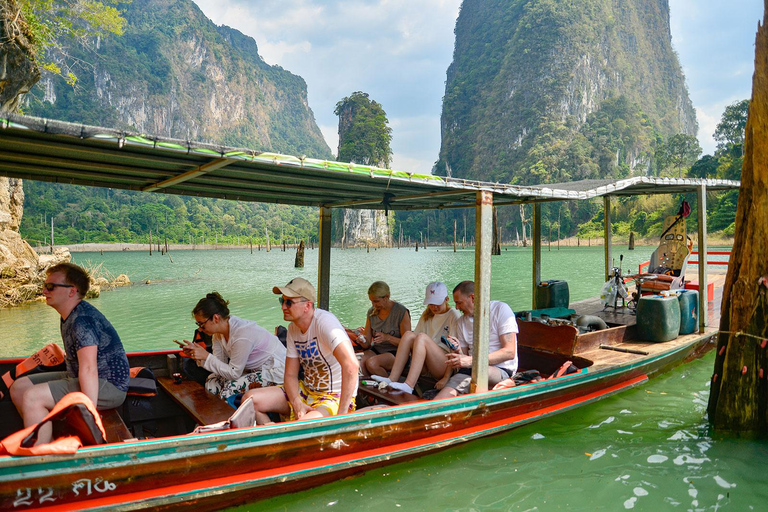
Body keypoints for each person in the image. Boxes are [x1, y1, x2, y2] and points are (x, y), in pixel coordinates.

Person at [9, 263, 130, 445]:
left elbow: (89, 368)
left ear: (71, 291)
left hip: (109, 385)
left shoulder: (82, 320)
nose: (44, 291)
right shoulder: (68, 315)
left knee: (33, 397)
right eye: (45, 286)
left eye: (51, 287)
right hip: (81, 376)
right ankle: (46, 442)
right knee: (19, 388)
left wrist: (88, 415)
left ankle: (45, 462)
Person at [243, 278, 358, 424]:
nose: (283, 307)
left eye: (289, 302)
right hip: (306, 390)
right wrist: (296, 402)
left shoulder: (325, 323)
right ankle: (274, 437)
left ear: (307, 305)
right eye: (282, 301)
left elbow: (352, 366)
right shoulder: (293, 328)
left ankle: (281, 438)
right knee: (250, 400)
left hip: (332, 396)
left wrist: (342, 416)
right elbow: (290, 375)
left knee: (299, 425)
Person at [183, 292, 286, 399]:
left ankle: (228, 415)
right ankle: (214, 413)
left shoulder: (242, 334)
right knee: (212, 381)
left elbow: (234, 373)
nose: (200, 329)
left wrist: (206, 356)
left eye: (201, 324)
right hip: (250, 370)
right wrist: (198, 357)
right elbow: (220, 366)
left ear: (215, 318)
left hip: (274, 371)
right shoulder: (218, 335)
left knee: (230, 388)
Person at [371, 282, 461, 394]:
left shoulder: (453, 315)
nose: (434, 307)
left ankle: (409, 385)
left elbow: (454, 349)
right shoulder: (427, 314)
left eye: (437, 303)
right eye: (431, 303)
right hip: (426, 364)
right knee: (409, 334)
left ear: (446, 299)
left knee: (422, 337)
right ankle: (392, 378)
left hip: (443, 364)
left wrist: (446, 378)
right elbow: (414, 338)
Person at [434, 280, 519, 399]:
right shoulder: (461, 322)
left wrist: (472, 361)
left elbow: (509, 352)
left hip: (500, 369)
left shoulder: (500, 309)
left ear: (473, 298)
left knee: (477, 373)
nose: (457, 308)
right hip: (471, 369)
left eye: (459, 303)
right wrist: (458, 351)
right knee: (441, 398)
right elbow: (464, 358)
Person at [357, 281, 411, 377]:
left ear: (386, 297)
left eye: (376, 301)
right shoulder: (371, 312)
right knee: (356, 363)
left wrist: (387, 338)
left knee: (372, 363)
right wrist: (362, 340)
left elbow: (408, 343)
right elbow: (367, 343)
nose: (373, 305)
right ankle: (367, 389)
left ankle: (388, 387)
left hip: (396, 353)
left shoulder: (400, 312)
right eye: (371, 301)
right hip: (377, 349)